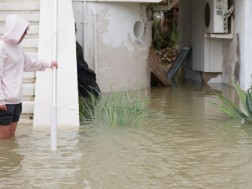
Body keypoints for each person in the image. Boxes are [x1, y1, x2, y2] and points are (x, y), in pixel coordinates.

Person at [0, 15, 58, 138]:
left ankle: (12, 158)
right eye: (23, 31)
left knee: (11, 137)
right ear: (15, 31)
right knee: (3, 139)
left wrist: (48, 64)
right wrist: (1, 99)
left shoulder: (17, 48)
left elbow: (29, 64)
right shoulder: (1, 48)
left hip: (16, 99)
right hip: (5, 101)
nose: (25, 34)